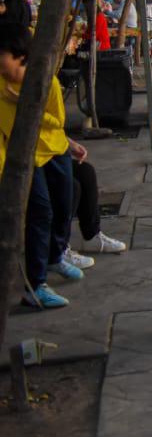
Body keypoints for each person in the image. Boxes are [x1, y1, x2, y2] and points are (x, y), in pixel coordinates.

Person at [0, 20, 92, 309]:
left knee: (64, 204)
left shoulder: (45, 82)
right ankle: (36, 283)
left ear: (18, 54)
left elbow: (58, 122)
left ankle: (56, 256)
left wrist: (28, 105)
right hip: (25, 159)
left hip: (54, 150)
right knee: (41, 211)